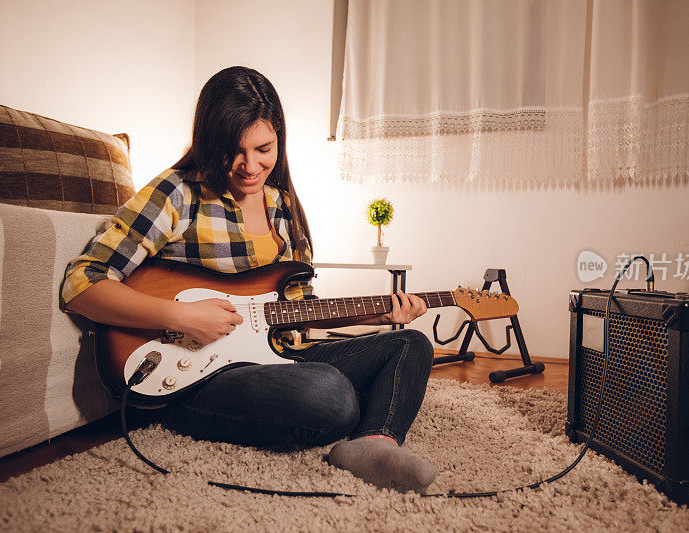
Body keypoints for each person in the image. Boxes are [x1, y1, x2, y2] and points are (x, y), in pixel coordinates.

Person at [61, 66, 437, 493]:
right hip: (193, 377)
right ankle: (342, 410)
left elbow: (295, 312)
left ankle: (375, 442)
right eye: (233, 150)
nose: (250, 166)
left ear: (280, 138)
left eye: (264, 148)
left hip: (274, 359)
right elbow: (82, 282)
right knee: (330, 394)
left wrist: (373, 317)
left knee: (410, 344)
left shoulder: (284, 208)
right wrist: (180, 315)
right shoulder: (177, 193)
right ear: (208, 140)